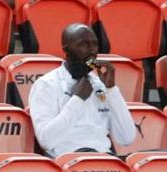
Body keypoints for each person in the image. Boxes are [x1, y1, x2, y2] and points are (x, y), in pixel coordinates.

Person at [28, 23, 136, 158]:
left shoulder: (100, 85)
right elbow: (46, 141)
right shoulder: (46, 85)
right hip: (69, 160)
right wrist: (77, 100)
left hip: (105, 159)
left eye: (94, 44)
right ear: (66, 50)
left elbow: (127, 138)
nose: (91, 50)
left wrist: (112, 89)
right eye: (83, 44)